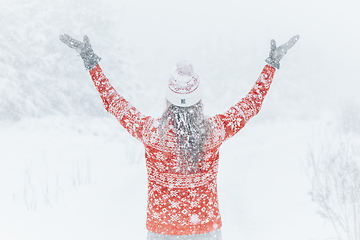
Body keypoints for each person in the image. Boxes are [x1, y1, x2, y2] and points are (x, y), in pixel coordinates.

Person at [59, 34, 299, 240]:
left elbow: (114, 102)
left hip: (161, 230)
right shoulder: (213, 133)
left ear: (168, 99)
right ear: (198, 99)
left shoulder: (152, 133)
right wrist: (271, 65)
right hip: (206, 228)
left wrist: (91, 62)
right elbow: (251, 104)